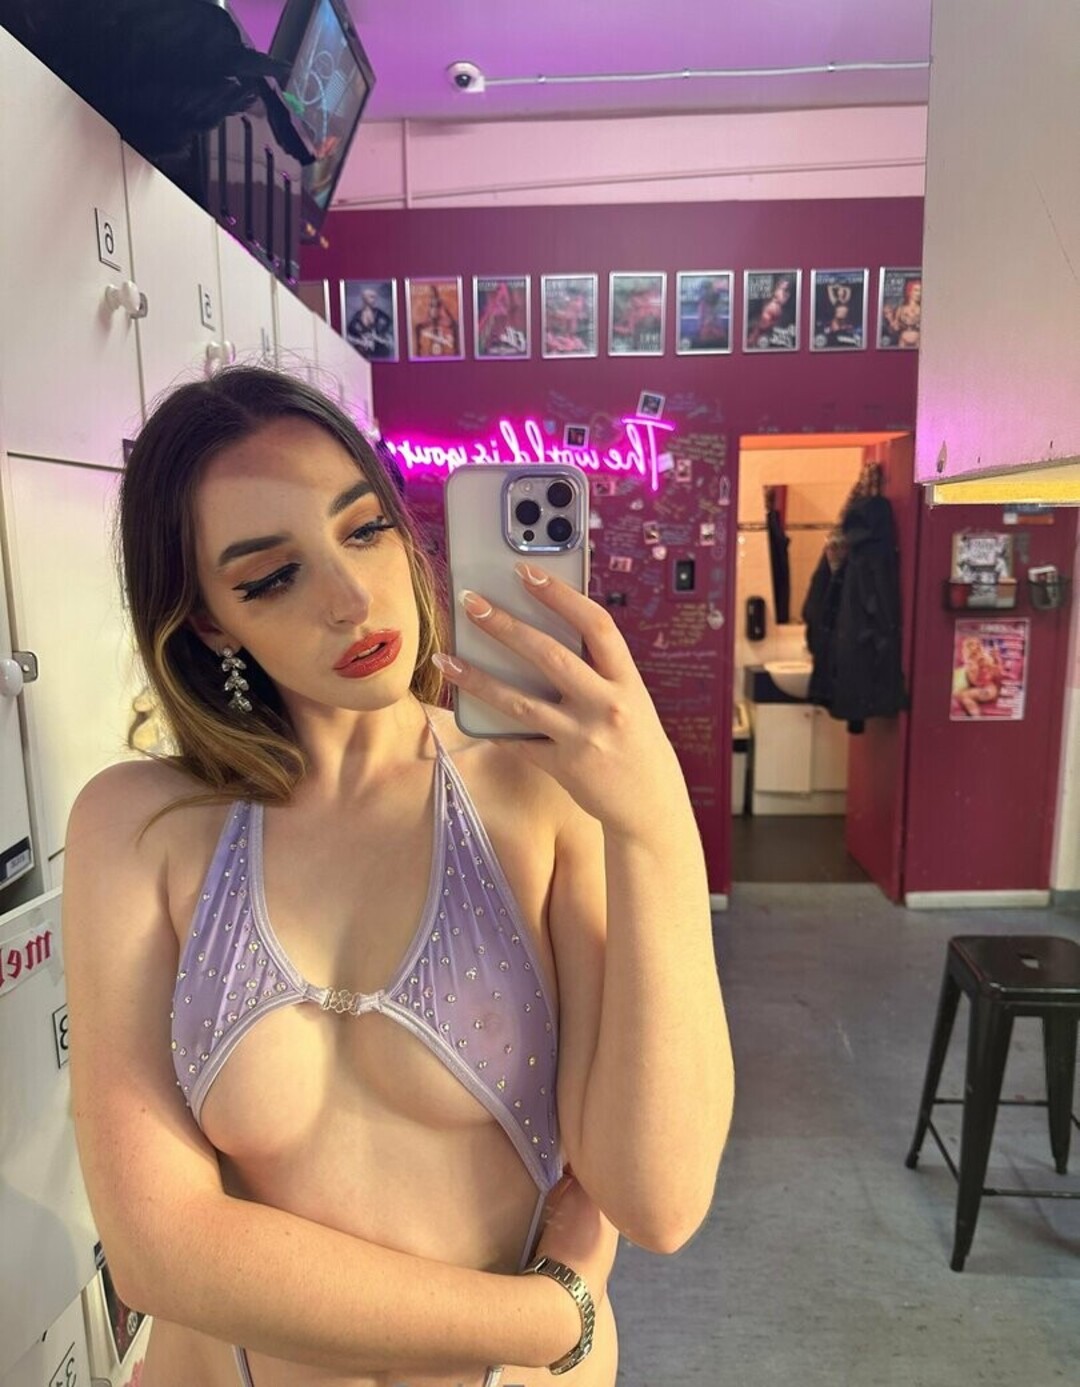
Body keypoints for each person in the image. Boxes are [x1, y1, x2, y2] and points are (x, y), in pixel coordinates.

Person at [63, 366, 734, 1387]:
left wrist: (656, 827)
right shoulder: (139, 826)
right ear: (208, 621)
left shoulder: (537, 795)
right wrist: (542, 1318)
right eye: (271, 576)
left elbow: (658, 1198)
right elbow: (158, 1249)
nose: (351, 598)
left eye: (366, 528)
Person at [882, 277, 921, 349]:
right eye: (916, 290)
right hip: (903, 341)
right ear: (909, 291)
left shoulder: (923, 310)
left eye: (920, 291)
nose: (918, 294)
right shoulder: (901, 309)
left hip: (918, 342)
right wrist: (891, 320)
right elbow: (895, 328)